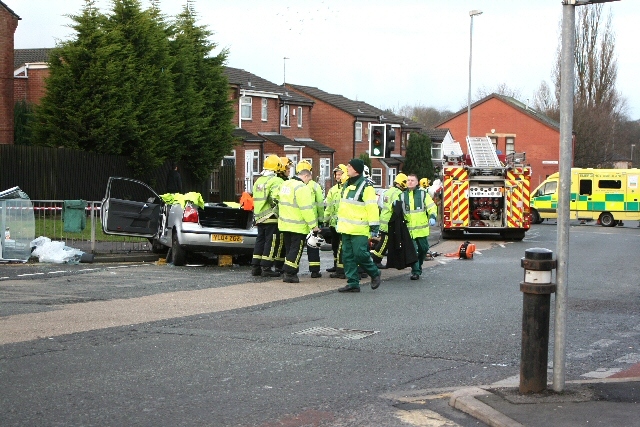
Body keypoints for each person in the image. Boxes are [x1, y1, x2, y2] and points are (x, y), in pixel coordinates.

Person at [335, 158, 381, 293]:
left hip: (360, 228)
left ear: (356, 169)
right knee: (347, 256)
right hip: (345, 228)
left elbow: (372, 208)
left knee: (360, 254)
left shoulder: (366, 186)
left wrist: (374, 228)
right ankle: (353, 282)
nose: (347, 168)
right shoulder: (347, 184)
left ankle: (374, 273)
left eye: (349, 166)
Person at [278, 167, 319, 283]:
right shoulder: (302, 188)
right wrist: (313, 225)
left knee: (289, 249)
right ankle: (289, 273)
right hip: (298, 226)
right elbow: (306, 209)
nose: (308, 182)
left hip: (284, 224)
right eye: (309, 180)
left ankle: (288, 271)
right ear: (305, 176)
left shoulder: (286, 184)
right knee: (296, 250)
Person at [250, 155, 284, 277]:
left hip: (259, 216)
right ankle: (266, 267)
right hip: (271, 215)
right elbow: (276, 197)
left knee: (260, 241)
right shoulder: (276, 181)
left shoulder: (259, 180)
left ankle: (256, 267)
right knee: (271, 242)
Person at [402, 174, 438, 280]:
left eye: (412, 180)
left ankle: (419, 265)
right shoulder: (402, 196)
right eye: (408, 180)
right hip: (408, 230)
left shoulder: (423, 195)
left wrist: (432, 216)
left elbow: (431, 207)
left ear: (417, 182)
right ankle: (415, 271)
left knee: (424, 249)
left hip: (421, 230)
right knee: (413, 251)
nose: (410, 182)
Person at [294, 160, 325, 278]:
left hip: (298, 221)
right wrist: (321, 220)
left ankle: (294, 269)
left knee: (297, 247)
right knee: (313, 246)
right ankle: (315, 271)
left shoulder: (294, 184)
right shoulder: (315, 186)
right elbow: (320, 204)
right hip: (312, 221)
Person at [370, 173, 408, 268]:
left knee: (384, 241)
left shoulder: (389, 191)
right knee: (384, 242)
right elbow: (397, 207)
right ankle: (376, 260)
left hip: (384, 219)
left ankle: (377, 259)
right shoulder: (398, 193)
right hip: (389, 222)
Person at [324, 164, 348, 278]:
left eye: (340, 174)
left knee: (341, 247)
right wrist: (325, 220)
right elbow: (329, 206)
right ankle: (336, 265)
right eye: (336, 174)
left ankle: (341, 268)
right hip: (333, 223)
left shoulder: (347, 188)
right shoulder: (333, 190)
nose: (338, 177)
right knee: (335, 246)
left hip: (343, 224)